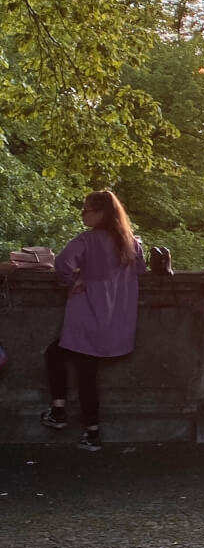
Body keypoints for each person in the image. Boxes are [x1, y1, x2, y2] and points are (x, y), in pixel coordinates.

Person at [41, 190, 146, 451]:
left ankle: (72, 419)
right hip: (117, 321)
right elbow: (141, 269)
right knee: (82, 370)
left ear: (101, 213)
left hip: (87, 317)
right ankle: (82, 426)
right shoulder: (130, 242)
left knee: (63, 359)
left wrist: (74, 280)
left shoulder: (86, 241)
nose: (83, 214)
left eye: (86, 210)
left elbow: (62, 265)